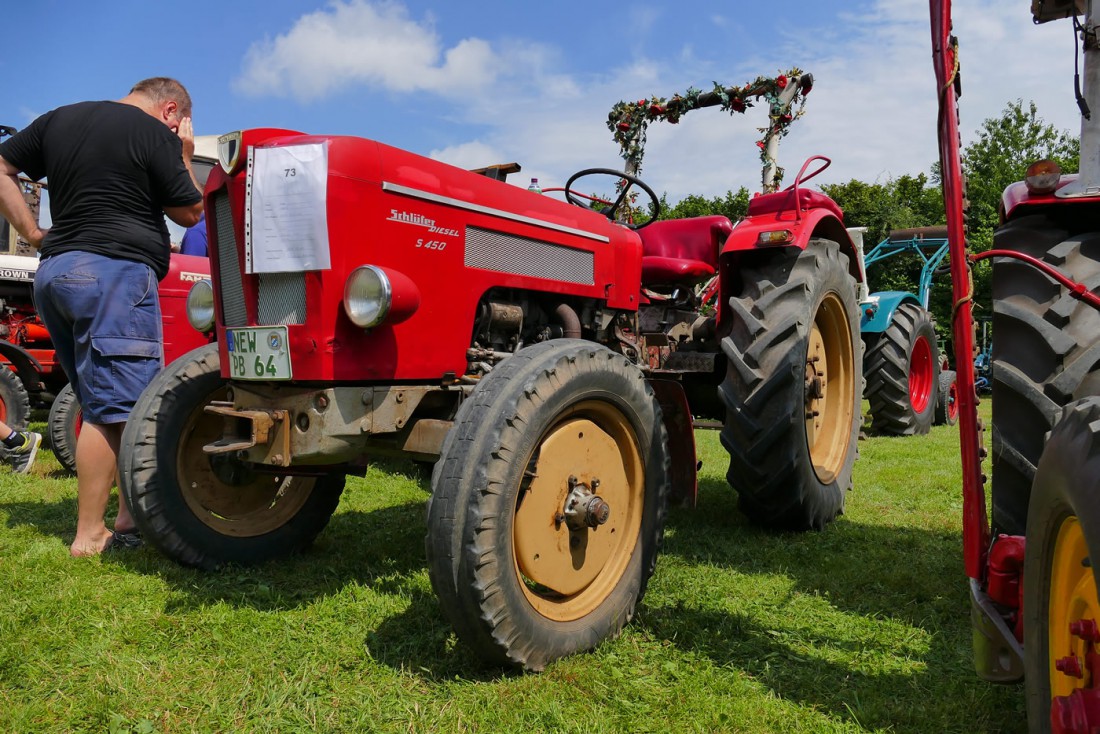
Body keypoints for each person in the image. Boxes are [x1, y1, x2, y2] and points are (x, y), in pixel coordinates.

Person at [0, 77, 203, 557]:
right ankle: (94, 533)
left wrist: (30, 229)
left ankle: (128, 520)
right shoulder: (154, 133)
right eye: (179, 122)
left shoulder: (59, 117)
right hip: (113, 276)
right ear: (170, 110)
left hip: (55, 275)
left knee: (99, 401)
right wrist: (184, 155)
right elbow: (191, 210)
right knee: (119, 410)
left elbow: (2, 165)